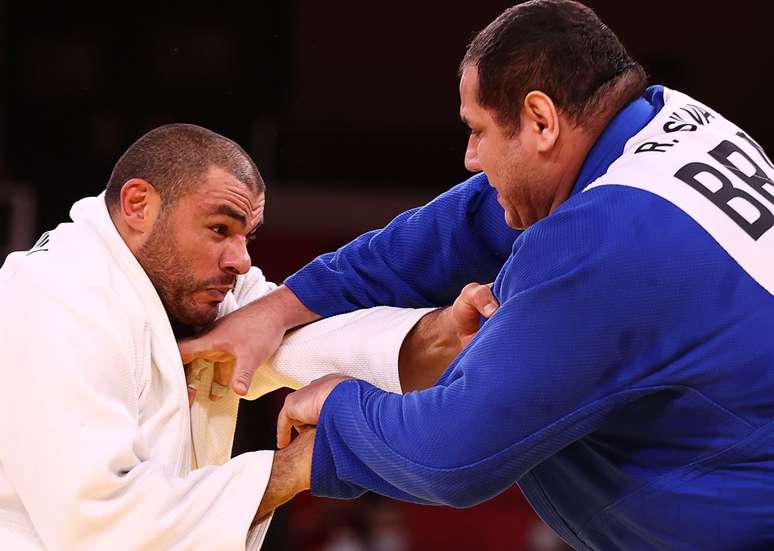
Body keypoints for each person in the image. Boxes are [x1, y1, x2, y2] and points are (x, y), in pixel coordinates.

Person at [181, 1, 774, 549]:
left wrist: (337, 412)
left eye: (478, 131)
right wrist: (283, 305)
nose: (470, 156)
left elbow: (452, 455)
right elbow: (452, 229)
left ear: (540, 120)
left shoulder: (604, 239)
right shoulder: (660, 125)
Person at [0, 123, 476, 550]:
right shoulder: (55, 298)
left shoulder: (199, 290)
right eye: (219, 228)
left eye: (246, 235)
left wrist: (448, 333)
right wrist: (293, 468)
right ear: (138, 205)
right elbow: (100, 526)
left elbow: (307, 343)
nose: (241, 259)